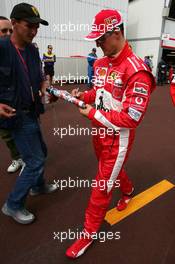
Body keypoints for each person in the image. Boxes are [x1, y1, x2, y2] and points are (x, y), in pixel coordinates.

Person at [66, 9, 156, 258]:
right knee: (110, 169)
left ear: (117, 33)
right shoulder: (101, 62)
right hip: (99, 134)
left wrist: (92, 114)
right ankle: (127, 190)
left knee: (101, 187)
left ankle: (87, 234)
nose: (97, 44)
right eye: (95, 39)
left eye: (101, 39)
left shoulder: (138, 71)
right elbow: (99, 92)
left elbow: (130, 119)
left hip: (119, 140)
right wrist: (82, 96)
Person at [0, 2, 57, 225]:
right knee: (34, 161)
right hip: (16, 116)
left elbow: (40, 78)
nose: (34, 31)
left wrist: (46, 89)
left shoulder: (33, 50)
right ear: (14, 24)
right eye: (29, 26)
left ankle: (38, 186)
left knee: (41, 151)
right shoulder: (2, 48)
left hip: (32, 112)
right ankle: (13, 205)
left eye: (37, 27)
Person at [0, 16, 24, 173]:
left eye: (10, 30)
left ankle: (28, 160)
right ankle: (17, 158)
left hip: (19, 106)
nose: (8, 33)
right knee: (7, 136)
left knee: (24, 134)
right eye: (3, 30)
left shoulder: (18, 52)